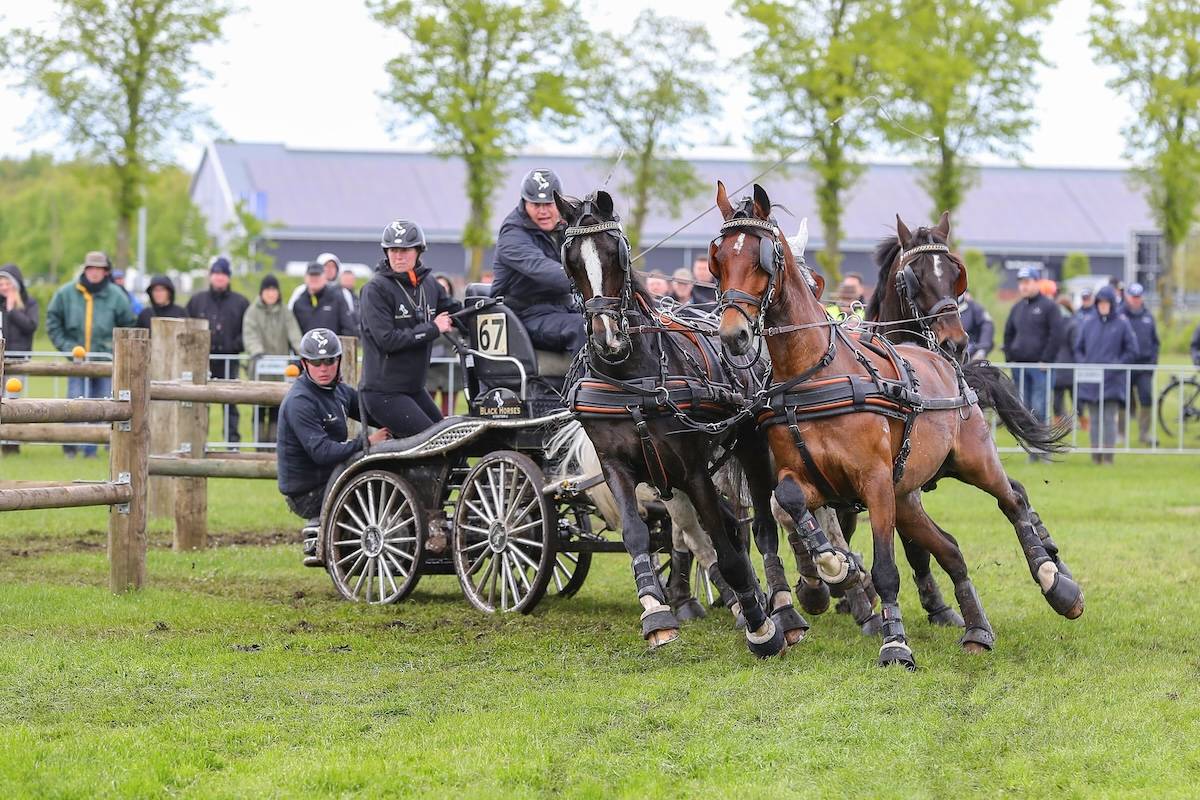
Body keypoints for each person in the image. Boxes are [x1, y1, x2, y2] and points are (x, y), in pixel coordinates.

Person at [276, 328, 390, 564]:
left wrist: (399, 419)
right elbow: (322, 453)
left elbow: (371, 411)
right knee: (378, 487)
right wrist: (367, 442)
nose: (323, 368)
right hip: (308, 492)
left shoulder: (338, 391)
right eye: (316, 362)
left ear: (338, 361)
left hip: (331, 478)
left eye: (329, 361)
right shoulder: (300, 401)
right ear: (304, 364)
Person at [360, 219, 460, 438]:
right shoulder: (375, 289)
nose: (398, 256)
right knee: (435, 443)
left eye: (405, 250)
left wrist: (487, 305)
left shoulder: (430, 284)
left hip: (413, 389)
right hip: (383, 393)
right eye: (393, 250)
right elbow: (387, 340)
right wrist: (432, 328)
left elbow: (457, 313)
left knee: (451, 440)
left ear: (418, 251)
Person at [46, 251, 137, 458]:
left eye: (99, 269)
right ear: (85, 270)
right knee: (73, 405)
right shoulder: (65, 293)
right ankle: (70, 448)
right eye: (91, 268)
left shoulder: (117, 296)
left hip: (104, 362)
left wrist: (112, 350)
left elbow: (129, 325)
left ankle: (91, 450)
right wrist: (68, 348)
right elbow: (53, 322)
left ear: (106, 272)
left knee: (101, 406)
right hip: (76, 362)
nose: (95, 272)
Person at [492, 167, 585, 353]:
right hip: (522, 315)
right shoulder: (512, 234)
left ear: (559, 202)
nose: (543, 211)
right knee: (582, 328)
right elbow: (540, 268)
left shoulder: (567, 227)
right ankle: (585, 374)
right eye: (536, 205)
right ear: (524, 202)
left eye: (549, 204)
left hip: (562, 309)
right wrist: (585, 279)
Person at [186, 257, 250, 445]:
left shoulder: (241, 302)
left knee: (231, 401)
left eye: (223, 274)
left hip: (229, 360)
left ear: (228, 277)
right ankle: (196, 442)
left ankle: (232, 443)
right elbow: (187, 327)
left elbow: (248, 331)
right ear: (210, 276)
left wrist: (234, 346)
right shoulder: (197, 301)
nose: (219, 278)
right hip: (202, 361)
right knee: (198, 402)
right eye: (216, 274)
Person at [1074, 285, 1138, 464]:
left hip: (1113, 381)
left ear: (1112, 304)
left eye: (1106, 303)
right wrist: (1084, 364)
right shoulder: (1088, 322)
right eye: (1100, 303)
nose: (1103, 306)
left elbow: (1132, 350)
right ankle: (1096, 456)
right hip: (1091, 380)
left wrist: (1118, 365)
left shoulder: (1122, 323)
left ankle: (1109, 457)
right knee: (1094, 419)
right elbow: (1078, 348)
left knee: (1109, 419)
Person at [243, 273, 303, 441]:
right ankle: (259, 444)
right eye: (267, 290)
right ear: (261, 292)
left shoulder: (285, 312)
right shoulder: (252, 312)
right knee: (259, 409)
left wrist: (303, 352)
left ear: (278, 292)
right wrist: (257, 352)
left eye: (274, 290)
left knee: (278, 408)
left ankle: (274, 446)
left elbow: (294, 334)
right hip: (259, 369)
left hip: (280, 371)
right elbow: (250, 334)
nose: (270, 293)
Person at [1002, 266, 1063, 428]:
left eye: (1027, 282)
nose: (1023, 286)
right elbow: (1008, 333)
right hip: (1019, 367)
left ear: (1037, 282)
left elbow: (1057, 335)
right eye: (1021, 282)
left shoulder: (1050, 307)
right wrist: (1010, 357)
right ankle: (1028, 442)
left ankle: (1041, 442)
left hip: (1040, 368)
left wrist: (1046, 359)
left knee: (1039, 408)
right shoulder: (1017, 307)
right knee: (1023, 408)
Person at [0, 264, 38, 455]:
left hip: (18, 359)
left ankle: (11, 444)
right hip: (1, 358)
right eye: (1, 283)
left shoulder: (29, 303)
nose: (4, 287)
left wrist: (11, 309)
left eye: (8, 283)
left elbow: (30, 326)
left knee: (13, 400)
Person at [1122, 282, 1159, 446]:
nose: (1136, 300)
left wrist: (1152, 363)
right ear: (1128, 297)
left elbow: (1155, 342)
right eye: (1133, 297)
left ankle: (1144, 433)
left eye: (1138, 297)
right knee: (1122, 399)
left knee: (1146, 398)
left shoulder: (1148, 316)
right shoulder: (1120, 316)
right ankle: (1120, 433)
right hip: (1125, 365)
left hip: (1144, 366)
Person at [292, 260, 356, 336]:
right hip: (306, 343)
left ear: (325, 277)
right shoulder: (299, 303)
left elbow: (348, 329)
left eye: (318, 275)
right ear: (305, 278)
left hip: (332, 343)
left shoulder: (337, 299)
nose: (314, 279)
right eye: (311, 275)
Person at [289, 252, 356, 320]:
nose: (330, 269)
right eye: (326, 266)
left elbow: (349, 316)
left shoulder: (344, 292)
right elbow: (290, 314)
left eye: (333, 266)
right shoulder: (301, 290)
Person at [1051, 296, 1078, 428]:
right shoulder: (1074, 323)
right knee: (1074, 398)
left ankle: (1062, 422)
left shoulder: (1055, 323)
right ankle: (1076, 421)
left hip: (1059, 365)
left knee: (1058, 397)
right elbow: (1076, 346)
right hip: (1069, 365)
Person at [957, 291, 994, 362]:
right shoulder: (942, 308)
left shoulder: (974, 308)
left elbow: (987, 326)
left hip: (971, 354)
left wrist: (982, 350)